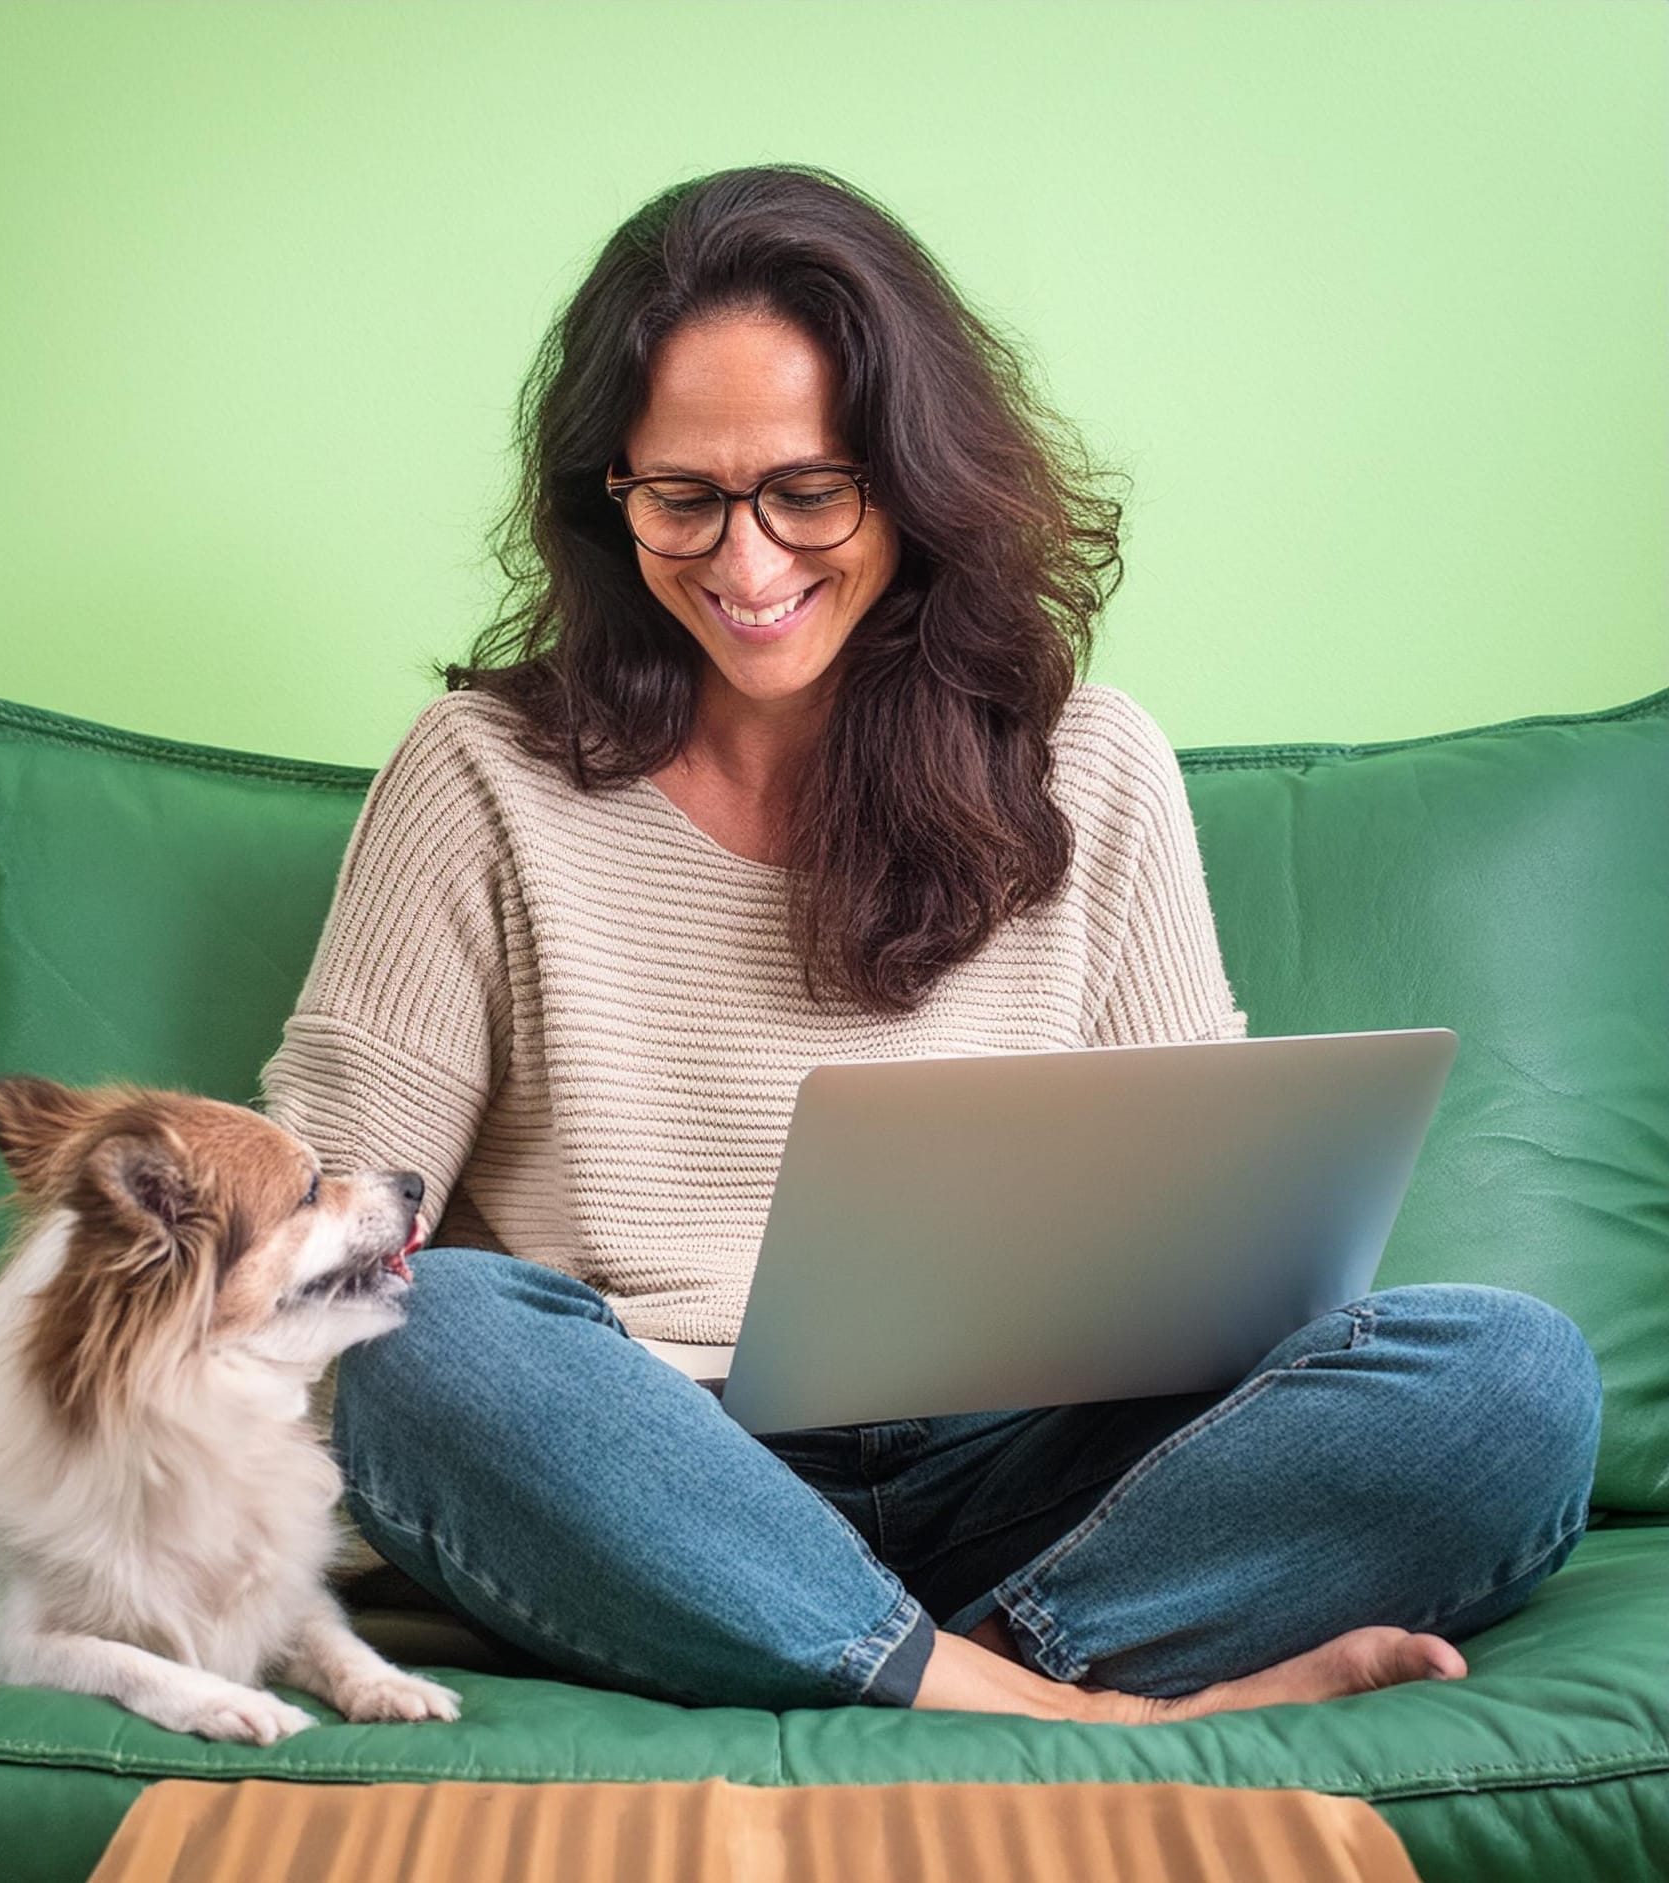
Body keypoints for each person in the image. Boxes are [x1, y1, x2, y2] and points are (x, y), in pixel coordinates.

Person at [259, 166, 1601, 1721]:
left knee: (1512, 1377)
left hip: (1037, 1478)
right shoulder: (483, 774)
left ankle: (880, 1657)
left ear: (910, 477)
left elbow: (1229, 1269)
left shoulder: (1089, 764)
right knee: (438, 1336)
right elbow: (321, 1246)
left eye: (807, 493)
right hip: (646, 1458)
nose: (745, 568)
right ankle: (1064, 1700)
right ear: (605, 493)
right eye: (680, 499)